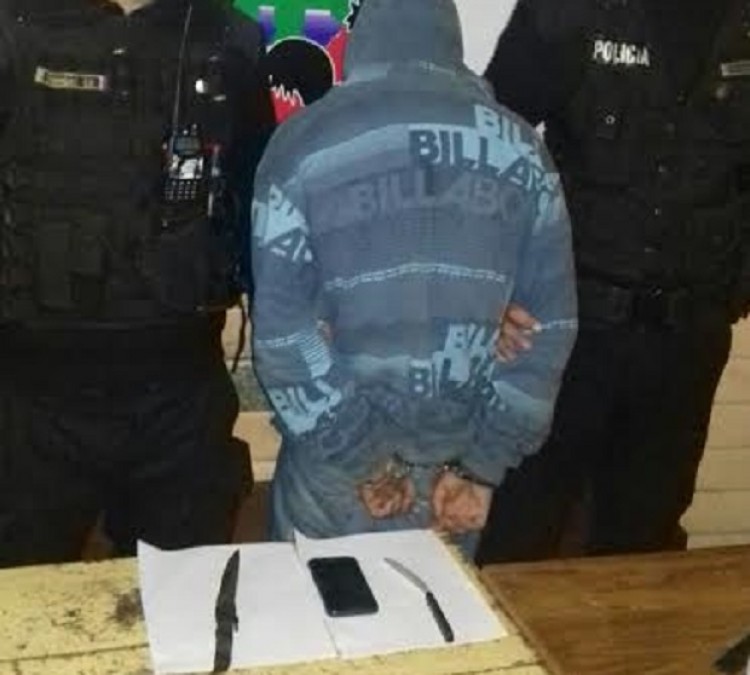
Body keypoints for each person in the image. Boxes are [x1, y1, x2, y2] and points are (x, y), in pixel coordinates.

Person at [250, 0, 577, 554]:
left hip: (336, 475)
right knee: (436, 607)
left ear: (362, 39)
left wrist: (365, 459)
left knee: (311, 605)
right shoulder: (523, 150)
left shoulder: (301, 144)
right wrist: (481, 467)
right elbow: (548, 330)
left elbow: (283, 336)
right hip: (456, 469)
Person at [0, 0, 275, 566]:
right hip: (30, 401)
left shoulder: (229, 38)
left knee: (187, 600)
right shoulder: (11, 28)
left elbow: (257, 200)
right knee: (18, 604)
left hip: (179, 397)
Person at [476, 0, 750, 563]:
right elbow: (486, 140)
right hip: (565, 333)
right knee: (519, 539)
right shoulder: (571, 9)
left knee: (644, 550)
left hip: (686, 343)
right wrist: (487, 283)